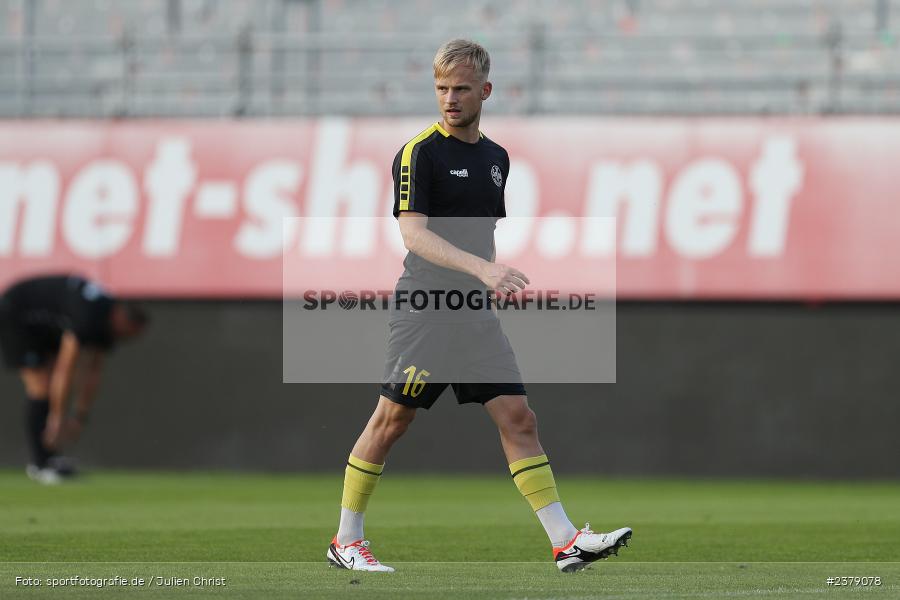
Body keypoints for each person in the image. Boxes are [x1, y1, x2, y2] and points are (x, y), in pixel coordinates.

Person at [325, 39, 631, 573]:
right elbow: (413, 235)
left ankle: (565, 541)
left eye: (461, 88)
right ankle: (346, 540)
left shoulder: (496, 159)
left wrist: (485, 274)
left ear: (485, 91)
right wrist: (483, 270)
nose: (450, 98)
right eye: (442, 88)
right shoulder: (419, 153)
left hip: (472, 314)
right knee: (392, 419)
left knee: (519, 417)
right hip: (426, 310)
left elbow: (480, 232)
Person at [0, 274, 148, 484]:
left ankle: (50, 458)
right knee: (41, 386)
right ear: (121, 318)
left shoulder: (106, 325)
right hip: (16, 312)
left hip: (46, 322)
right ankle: (40, 464)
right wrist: (57, 417)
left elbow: (93, 371)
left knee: (51, 385)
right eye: (128, 333)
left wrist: (79, 416)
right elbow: (66, 368)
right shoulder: (89, 316)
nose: (127, 339)